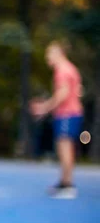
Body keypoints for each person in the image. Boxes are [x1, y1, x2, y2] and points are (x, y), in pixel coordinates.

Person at [30, 41, 84, 199]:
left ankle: (68, 186)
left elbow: (63, 94)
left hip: (68, 114)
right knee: (65, 149)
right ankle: (64, 182)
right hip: (69, 113)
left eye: (50, 53)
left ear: (59, 53)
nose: (48, 57)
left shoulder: (63, 70)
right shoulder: (69, 69)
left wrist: (44, 108)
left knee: (65, 149)